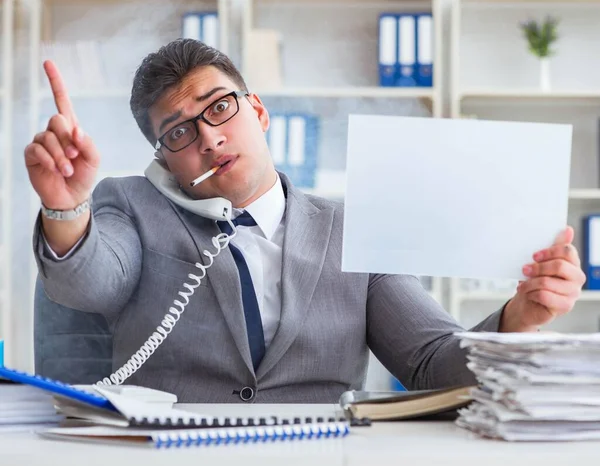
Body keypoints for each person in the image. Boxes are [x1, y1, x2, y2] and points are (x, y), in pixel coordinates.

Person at [25, 39, 586, 403]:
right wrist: (65, 206)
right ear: (163, 159)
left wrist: (518, 316)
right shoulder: (128, 204)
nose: (210, 137)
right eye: (179, 132)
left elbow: (430, 362)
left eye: (220, 107)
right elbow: (87, 280)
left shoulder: (352, 226)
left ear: (259, 111)